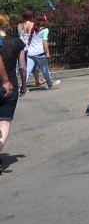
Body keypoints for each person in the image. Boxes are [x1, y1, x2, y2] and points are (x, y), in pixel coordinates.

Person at [0, 13, 27, 173]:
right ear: (7, 24)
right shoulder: (17, 43)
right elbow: (22, 67)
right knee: (5, 121)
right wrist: (24, 84)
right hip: (9, 85)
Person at [26, 13, 58, 89]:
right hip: (40, 53)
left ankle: (22, 86)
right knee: (44, 69)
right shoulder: (45, 30)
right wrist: (47, 52)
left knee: (28, 70)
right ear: (42, 21)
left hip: (31, 52)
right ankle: (50, 84)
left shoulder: (33, 29)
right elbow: (44, 42)